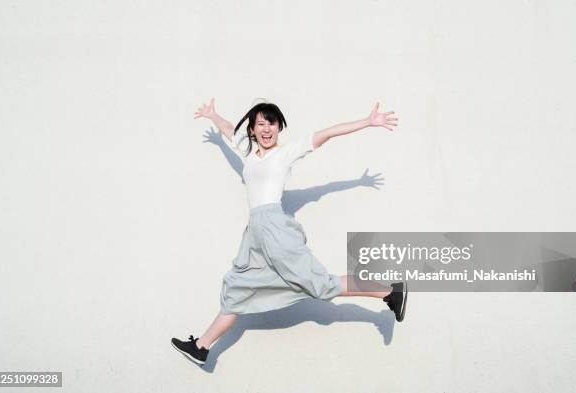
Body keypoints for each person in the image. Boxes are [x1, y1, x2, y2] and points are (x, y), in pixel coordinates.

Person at [171, 98, 407, 367]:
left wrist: (366, 122)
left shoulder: (285, 154)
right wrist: (213, 115)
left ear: (279, 127)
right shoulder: (247, 153)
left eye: (272, 123)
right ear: (252, 129)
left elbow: (326, 133)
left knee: (321, 285)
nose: (267, 128)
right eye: (261, 123)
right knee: (236, 289)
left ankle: (388, 291)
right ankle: (201, 347)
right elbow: (227, 129)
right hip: (254, 234)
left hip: (274, 229)